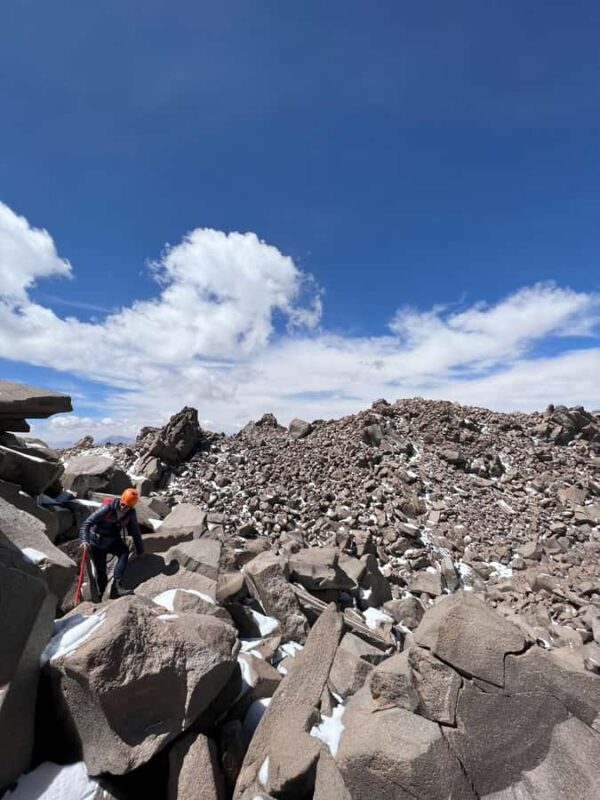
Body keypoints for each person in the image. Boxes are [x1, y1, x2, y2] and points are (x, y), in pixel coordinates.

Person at [80, 488, 144, 599]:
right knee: (101, 570)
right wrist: (84, 540)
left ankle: (117, 586)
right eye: (123, 504)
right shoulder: (108, 507)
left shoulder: (131, 514)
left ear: (132, 507)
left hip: (112, 540)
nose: (124, 508)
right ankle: (102, 595)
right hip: (97, 542)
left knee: (124, 552)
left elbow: (135, 532)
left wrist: (140, 550)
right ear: (121, 500)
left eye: (127, 506)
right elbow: (87, 524)